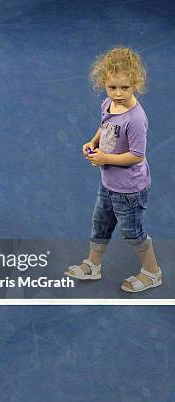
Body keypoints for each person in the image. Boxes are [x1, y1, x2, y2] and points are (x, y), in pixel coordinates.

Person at [64, 47, 161, 293]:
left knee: (132, 233)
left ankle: (152, 272)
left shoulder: (136, 119)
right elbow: (105, 127)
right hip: (108, 183)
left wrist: (106, 157)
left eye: (124, 88)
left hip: (129, 190)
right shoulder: (109, 104)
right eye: (112, 87)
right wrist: (94, 141)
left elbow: (137, 156)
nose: (118, 94)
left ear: (136, 83)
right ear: (103, 83)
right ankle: (93, 265)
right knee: (100, 224)